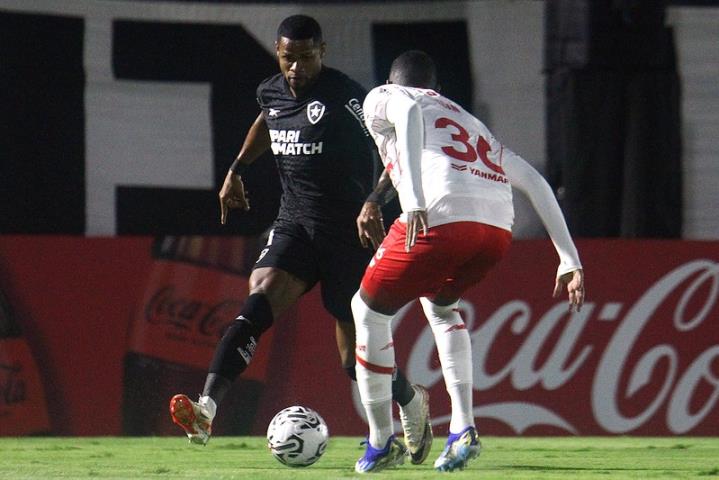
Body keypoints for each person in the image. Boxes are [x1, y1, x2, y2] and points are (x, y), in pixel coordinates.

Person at [168, 16, 433, 463]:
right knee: (256, 302)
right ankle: (206, 409)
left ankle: (410, 400)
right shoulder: (271, 92)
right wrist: (237, 169)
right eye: (289, 58)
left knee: (354, 362)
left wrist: (374, 200)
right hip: (294, 226)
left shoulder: (347, 96)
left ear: (322, 52)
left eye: (306, 58)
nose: (296, 68)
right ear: (278, 52)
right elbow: (266, 122)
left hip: (347, 236)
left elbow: (396, 150)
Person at [352, 50, 585, 473]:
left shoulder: (384, 96)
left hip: (439, 216)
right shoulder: (465, 118)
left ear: (391, 81)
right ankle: (462, 427)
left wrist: (416, 200)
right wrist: (568, 258)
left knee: (365, 312)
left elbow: (404, 108)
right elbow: (533, 180)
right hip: (495, 229)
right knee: (441, 308)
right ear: (437, 87)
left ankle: (381, 441)